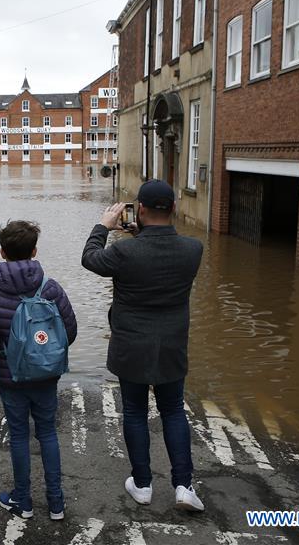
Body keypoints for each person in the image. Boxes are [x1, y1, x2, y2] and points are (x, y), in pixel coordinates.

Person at [80, 179, 205, 512]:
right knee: (174, 411)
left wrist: (102, 226)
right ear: (174, 209)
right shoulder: (194, 250)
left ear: (142, 210)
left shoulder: (123, 252)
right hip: (172, 346)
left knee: (135, 413)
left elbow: (90, 259)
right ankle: (184, 486)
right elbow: (159, 257)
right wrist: (142, 235)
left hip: (131, 345)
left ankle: (143, 485)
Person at [0, 220, 78, 521]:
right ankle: (56, 503)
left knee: (19, 436)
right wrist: (46, 354)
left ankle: (23, 500)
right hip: (47, 376)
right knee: (47, 433)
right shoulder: (51, 289)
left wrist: (4, 353)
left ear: (2, 252)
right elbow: (69, 332)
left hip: (12, 378)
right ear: (34, 251)